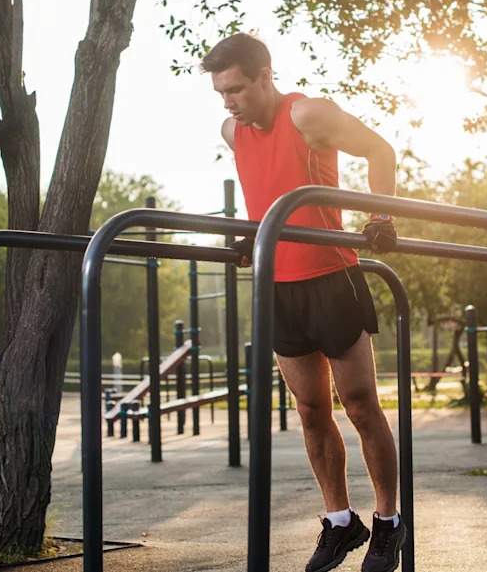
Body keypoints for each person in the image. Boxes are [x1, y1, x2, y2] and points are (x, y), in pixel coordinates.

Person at [201, 32, 405, 572]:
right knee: (311, 411)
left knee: (360, 405)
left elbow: (379, 150)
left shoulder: (308, 114)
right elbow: (264, 192)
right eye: (221, 92)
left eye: (237, 89)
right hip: (278, 286)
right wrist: (252, 235)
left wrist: (381, 217)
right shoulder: (231, 130)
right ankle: (340, 522)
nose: (229, 102)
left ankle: (387, 524)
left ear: (265, 76)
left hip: (330, 276)